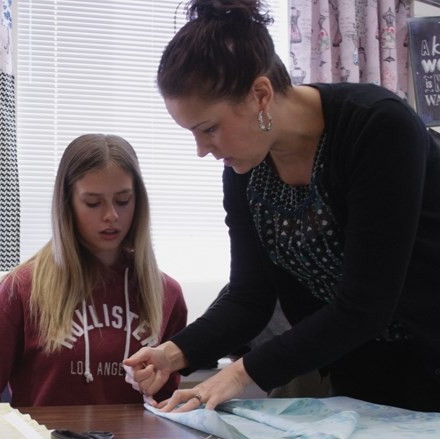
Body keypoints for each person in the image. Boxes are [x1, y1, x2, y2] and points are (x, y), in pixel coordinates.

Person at [124, 0, 440, 413]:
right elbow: (249, 297)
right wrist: (174, 353)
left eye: (209, 129)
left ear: (260, 94)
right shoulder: (246, 170)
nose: (202, 150)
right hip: (363, 367)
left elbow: (365, 306)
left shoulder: (379, 128)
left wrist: (238, 374)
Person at [0, 134, 187, 406]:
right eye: (93, 203)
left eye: (123, 200)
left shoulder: (167, 294)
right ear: (67, 204)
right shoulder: (19, 291)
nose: (111, 216)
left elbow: (167, 403)